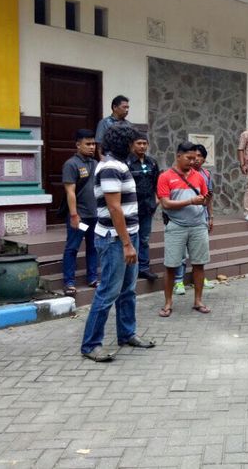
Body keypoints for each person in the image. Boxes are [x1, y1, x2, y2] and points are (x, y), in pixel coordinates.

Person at [80, 124, 155, 362]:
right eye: (133, 142)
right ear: (125, 143)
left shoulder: (119, 165)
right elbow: (114, 207)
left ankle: (127, 333)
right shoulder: (111, 166)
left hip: (126, 236)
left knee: (127, 291)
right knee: (108, 292)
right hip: (114, 239)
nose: (137, 146)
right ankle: (91, 345)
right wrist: (126, 243)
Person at [158, 141, 211, 317]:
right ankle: (168, 303)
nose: (192, 161)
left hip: (198, 225)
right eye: (189, 158)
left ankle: (198, 300)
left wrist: (206, 207)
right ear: (178, 156)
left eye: (195, 158)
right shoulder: (165, 177)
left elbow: (205, 198)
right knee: (171, 266)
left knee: (199, 264)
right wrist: (190, 201)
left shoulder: (199, 176)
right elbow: (165, 203)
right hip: (176, 226)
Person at [61, 129, 99, 297]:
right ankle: (69, 282)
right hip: (80, 216)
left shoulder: (95, 164)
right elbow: (70, 192)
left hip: (94, 215)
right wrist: (74, 215)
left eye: (93, 144)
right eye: (88, 144)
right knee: (72, 248)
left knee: (93, 247)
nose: (92, 147)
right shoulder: (71, 164)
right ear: (78, 145)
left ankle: (92, 278)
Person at [173, 144, 214, 294]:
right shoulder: (175, 174)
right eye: (192, 156)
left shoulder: (206, 174)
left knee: (198, 254)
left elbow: (209, 197)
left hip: (200, 218)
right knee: (181, 253)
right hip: (180, 220)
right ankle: (178, 281)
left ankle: (200, 279)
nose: (195, 159)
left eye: (199, 156)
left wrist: (210, 216)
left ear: (203, 159)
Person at [127, 132, 160, 281]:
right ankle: (130, 269)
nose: (142, 146)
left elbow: (157, 184)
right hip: (131, 208)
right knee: (131, 238)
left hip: (148, 207)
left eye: (144, 143)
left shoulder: (152, 162)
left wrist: (157, 200)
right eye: (139, 143)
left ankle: (144, 268)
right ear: (132, 144)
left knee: (145, 238)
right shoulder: (126, 163)